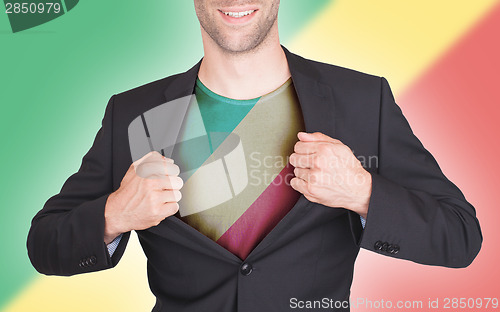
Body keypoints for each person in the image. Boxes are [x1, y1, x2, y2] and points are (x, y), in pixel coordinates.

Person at [27, 0, 482, 311]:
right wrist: (114, 214)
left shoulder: (363, 101)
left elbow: (460, 236)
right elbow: (44, 245)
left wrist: (363, 192)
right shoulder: (134, 113)